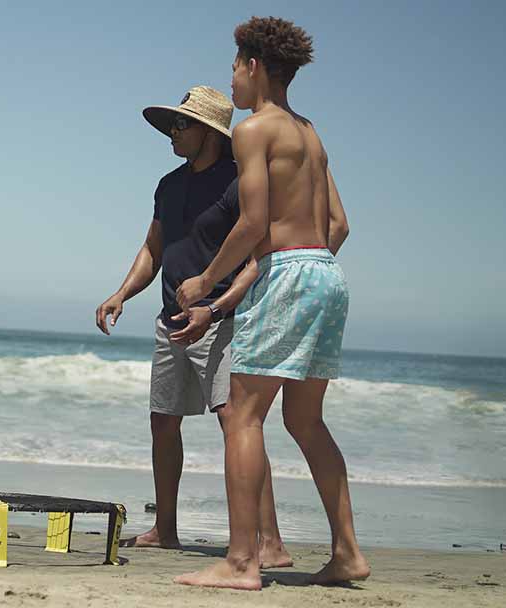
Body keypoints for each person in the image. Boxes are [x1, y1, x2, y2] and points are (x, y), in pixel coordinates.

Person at [174, 16, 366, 589]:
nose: (231, 80)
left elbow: (254, 222)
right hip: (327, 274)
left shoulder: (256, 130)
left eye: (233, 67)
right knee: (306, 420)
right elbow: (340, 224)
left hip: (288, 273)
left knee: (244, 416)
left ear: (253, 65)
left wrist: (206, 280)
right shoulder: (310, 132)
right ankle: (348, 553)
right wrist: (306, 262)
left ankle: (240, 562)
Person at [95, 87, 291, 568]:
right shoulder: (168, 184)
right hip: (172, 321)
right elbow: (153, 250)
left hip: (223, 319)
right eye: (172, 126)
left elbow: (259, 257)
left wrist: (217, 307)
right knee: (163, 421)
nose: (172, 134)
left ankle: (270, 542)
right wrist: (121, 293)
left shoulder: (239, 181)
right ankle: (165, 528)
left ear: (209, 132)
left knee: (236, 422)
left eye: (181, 126)